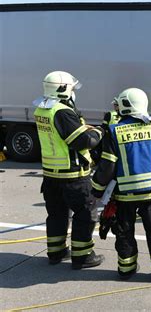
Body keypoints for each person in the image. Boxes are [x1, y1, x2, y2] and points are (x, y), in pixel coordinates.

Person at [92, 88, 151, 281]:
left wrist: (96, 189)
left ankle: (126, 269)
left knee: (125, 231)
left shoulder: (114, 131)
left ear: (124, 106)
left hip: (124, 196)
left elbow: (107, 167)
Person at [34, 71, 104, 268]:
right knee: (85, 214)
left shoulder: (42, 109)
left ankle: (56, 252)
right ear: (63, 89)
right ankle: (83, 256)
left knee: (56, 214)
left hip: (50, 175)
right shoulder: (62, 112)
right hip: (72, 175)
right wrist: (99, 131)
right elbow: (84, 141)